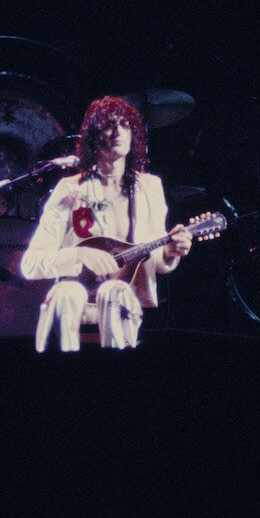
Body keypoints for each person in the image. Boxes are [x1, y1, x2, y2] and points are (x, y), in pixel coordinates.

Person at [20, 95, 192, 351]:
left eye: (124, 125)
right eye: (109, 125)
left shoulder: (149, 187)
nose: (118, 132)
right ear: (93, 137)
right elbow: (30, 264)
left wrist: (170, 251)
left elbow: (153, 259)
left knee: (114, 293)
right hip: (77, 300)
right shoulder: (69, 189)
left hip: (126, 302)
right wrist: (79, 254)